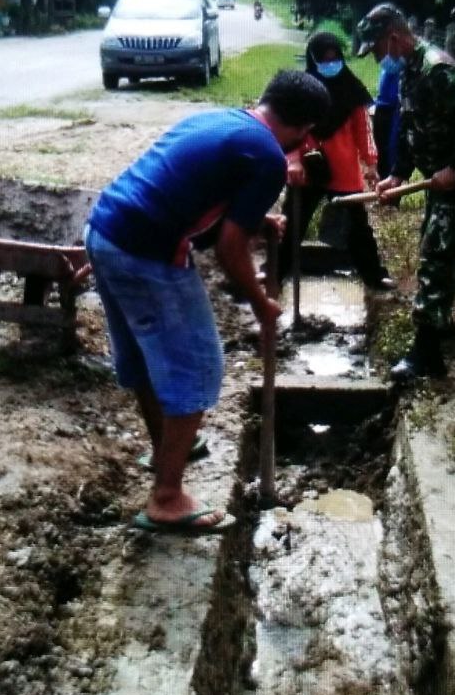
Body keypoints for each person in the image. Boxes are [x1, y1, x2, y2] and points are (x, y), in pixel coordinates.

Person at [86, 71, 329, 533]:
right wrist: (260, 301)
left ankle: (165, 451)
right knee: (196, 367)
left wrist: (256, 221)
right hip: (147, 253)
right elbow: (229, 249)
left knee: (144, 356)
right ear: (303, 129)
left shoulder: (221, 122)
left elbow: (193, 197)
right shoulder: (267, 156)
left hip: (105, 232)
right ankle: (167, 497)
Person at [356, 3, 455, 383]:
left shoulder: (437, 70)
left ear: (395, 38)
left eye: (377, 50)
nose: (376, 58)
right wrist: (398, 175)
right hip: (439, 177)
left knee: (437, 254)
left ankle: (427, 355)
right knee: (436, 247)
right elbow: (409, 127)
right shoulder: (409, 72)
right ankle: (441, 320)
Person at [278, 32, 393, 291]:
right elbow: (289, 130)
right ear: (313, 60)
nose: (331, 65)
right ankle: (275, 274)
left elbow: (363, 130)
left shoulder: (352, 89)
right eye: (324, 60)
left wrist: (371, 164)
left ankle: (374, 276)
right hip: (307, 168)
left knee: (357, 227)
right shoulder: (301, 92)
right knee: (292, 222)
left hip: (343, 170)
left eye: (335, 59)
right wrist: (293, 161)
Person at [372, 48, 403, 180]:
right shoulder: (388, 68)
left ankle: (391, 193)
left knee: (392, 152)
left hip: (397, 112)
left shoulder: (405, 67)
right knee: (380, 153)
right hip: (382, 109)